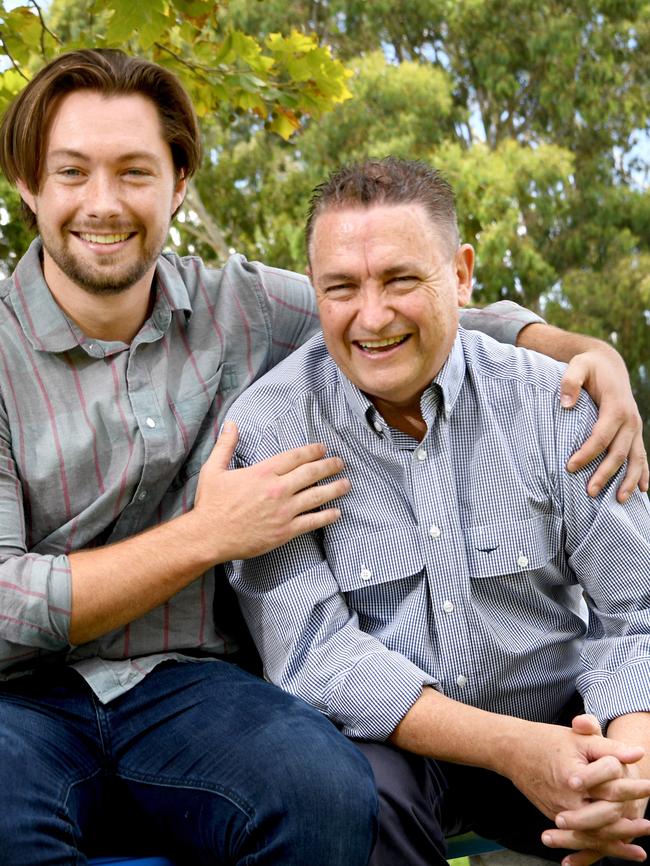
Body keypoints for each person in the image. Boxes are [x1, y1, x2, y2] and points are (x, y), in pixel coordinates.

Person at [0, 49, 644, 865]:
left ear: (179, 186)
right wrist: (206, 535)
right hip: (18, 696)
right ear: (28, 184)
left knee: (324, 792)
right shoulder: (8, 350)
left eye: (134, 171)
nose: (104, 203)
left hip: (187, 685)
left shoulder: (244, 307)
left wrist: (583, 351)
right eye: (71, 173)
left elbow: (409, 310)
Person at [227, 158, 650, 866]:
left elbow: (636, 606)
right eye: (341, 288)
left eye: (400, 279)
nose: (372, 315)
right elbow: (315, 656)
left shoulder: (559, 404)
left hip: (564, 717)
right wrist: (514, 750)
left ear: (460, 274)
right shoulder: (268, 432)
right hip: (390, 746)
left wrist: (629, 768)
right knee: (347, 807)